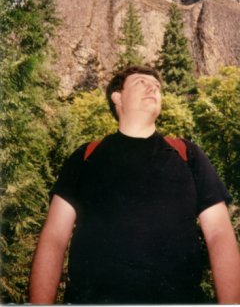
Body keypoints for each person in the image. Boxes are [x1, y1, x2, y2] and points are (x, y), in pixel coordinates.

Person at [29, 65, 240, 304]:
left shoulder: (187, 154)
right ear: (117, 97)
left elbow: (219, 234)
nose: (154, 88)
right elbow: (54, 237)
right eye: (141, 82)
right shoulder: (86, 156)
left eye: (158, 87)